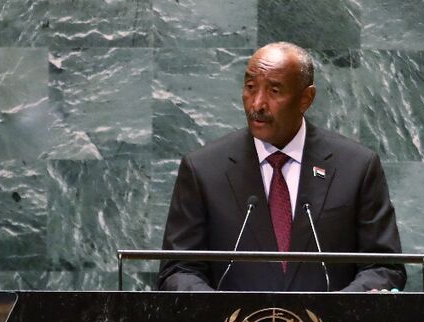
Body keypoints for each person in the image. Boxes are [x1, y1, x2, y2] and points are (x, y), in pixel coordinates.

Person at [156, 42, 405, 292]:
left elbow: (383, 265)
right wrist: (223, 313)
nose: (257, 104)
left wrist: (337, 310)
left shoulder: (356, 167)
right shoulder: (203, 169)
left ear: (306, 98)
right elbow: (179, 269)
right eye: (250, 88)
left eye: (274, 91)